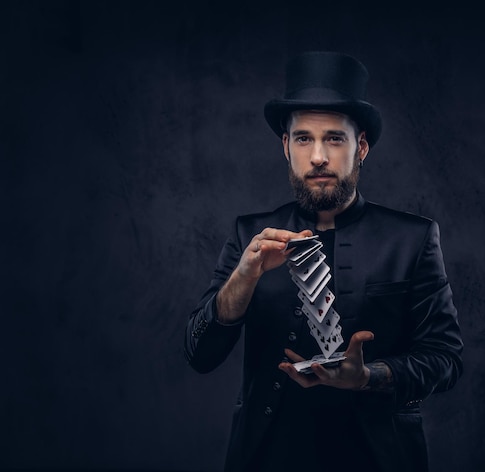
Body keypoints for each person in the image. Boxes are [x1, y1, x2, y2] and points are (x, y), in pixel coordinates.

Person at [184, 51, 463, 472]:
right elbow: (198, 355)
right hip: (265, 458)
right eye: (303, 139)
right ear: (285, 146)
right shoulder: (250, 237)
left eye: (334, 138)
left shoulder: (413, 239)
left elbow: (446, 359)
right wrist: (243, 277)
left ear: (361, 147)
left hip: (379, 459)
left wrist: (370, 376)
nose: (318, 156)